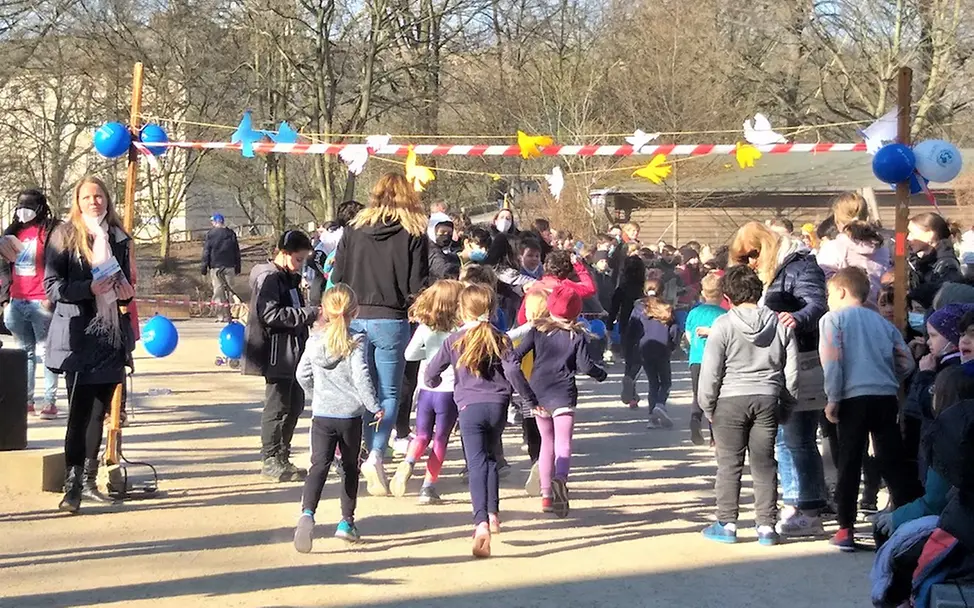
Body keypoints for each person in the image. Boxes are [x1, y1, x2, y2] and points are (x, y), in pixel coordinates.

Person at [330, 172, 429, 496]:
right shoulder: (414, 231)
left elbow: (338, 276)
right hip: (392, 319)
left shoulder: (353, 229)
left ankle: (360, 453)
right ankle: (375, 455)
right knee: (389, 394)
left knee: (361, 390)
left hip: (355, 317)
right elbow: (417, 285)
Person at [730, 221, 829, 539]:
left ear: (766, 245)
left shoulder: (800, 266)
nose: (750, 263)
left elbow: (816, 304)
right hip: (778, 361)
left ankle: (809, 507)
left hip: (802, 359)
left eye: (752, 254)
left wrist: (796, 318)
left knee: (798, 439)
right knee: (786, 439)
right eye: (744, 259)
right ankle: (795, 502)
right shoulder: (772, 272)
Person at [44, 177, 136, 513]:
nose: (94, 202)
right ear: (77, 201)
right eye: (87, 197)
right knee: (79, 413)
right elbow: (53, 287)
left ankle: (89, 479)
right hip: (78, 334)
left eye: (99, 196)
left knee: (100, 413)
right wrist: (89, 288)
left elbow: (123, 278)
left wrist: (125, 291)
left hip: (110, 333)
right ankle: (71, 486)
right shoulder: (64, 235)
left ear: (108, 200)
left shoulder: (118, 236)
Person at [425, 284, 537, 558]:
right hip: (497, 406)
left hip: (468, 407)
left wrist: (436, 381)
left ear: (462, 311)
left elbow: (430, 373)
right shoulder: (500, 338)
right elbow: (513, 370)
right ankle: (494, 513)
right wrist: (530, 400)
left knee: (476, 463)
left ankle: (481, 523)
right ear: (493, 309)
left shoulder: (454, 340)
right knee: (490, 459)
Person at [820, 266, 924, 551]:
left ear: (841, 292)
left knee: (849, 460)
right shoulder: (883, 324)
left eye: (829, 293)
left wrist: (833, 398)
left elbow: (833, 361)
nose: (827, 299)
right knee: (891, 457)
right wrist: (889, 378)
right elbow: (906, 362)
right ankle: (905, 519)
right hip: (884, 396)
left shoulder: (833, 320)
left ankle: (846, 528)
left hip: (851, 397)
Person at [698, 265, 798, 546]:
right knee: (764, 463)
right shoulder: (780, 324)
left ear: (727, 296)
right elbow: (791, 372)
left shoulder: (723, 325)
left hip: (730, 399)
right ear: (760, 290)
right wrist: (787, 404)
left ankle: (727, 523)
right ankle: (766, 526)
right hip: (767, 397)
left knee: (729, 464)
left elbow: (711, 371)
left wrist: (708, 406)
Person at [293, 284, 382, 551]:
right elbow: (361, 375)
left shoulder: (314, 341)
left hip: (322, 415)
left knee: (318, 466)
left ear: (325, 310)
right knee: (350, 469)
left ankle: (307, 514)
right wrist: (373, 405)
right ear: (354, 311)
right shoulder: (356, 339)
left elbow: (301, 375)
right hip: (350, 416)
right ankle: (346, 522)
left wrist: (316, 395)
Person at [514, 286, 606, 517]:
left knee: (547, 443)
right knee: (563, 442)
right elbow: (585, 366)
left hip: (538, 391)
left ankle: (546, 496)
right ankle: (561, 479)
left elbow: (516, 356)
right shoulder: (577, 335)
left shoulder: (536, 330)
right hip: (563, 392)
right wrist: (600, 374)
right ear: (577, 311)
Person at [243, 230, 320, 483]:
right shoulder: (271, 279)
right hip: (277, 352)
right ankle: (270, 457)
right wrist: (307, 314)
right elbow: (270, 314)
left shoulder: (289, 278)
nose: (301, 265)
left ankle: (282, 454)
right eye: (298, 259)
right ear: (284, 254)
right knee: (277, 406)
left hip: (294, 350)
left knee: (295, 404)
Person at [391, 280, 465, 503]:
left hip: (426, 387)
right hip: (449, 390)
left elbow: (409, 355)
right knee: (440, 439)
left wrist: (429, 356)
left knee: (422, 434)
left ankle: (409, 462)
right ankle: (428, 486)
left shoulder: (425, 327)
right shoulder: (460, 330)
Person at [0, 189, 61, 418]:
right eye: (20, 206)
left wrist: (51, 297)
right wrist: (5, 300)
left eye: (28, 206)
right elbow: (4, 267)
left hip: (41, 302)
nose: (23, 211)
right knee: (23, 354)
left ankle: (49, 402)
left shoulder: (50, 231)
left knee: (46, 353)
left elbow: (59, 262)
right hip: (17, 302)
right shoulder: (12, 233)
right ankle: (25, 401)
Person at [902, 303, 970, 482]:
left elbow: (929, 405)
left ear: (950, 336)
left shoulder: (950, 372)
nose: (928, 341)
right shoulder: (941, 363)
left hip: (944, 453)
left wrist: (925, 375)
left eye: (933, 336)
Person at [816, 192, 891, 307]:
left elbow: (823, 287)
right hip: (877, 315)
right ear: (867, 217)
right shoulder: (882, 249)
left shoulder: (833, 248)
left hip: (843, 315)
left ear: (837, 220)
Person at [507, 290, 548, 496]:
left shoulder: (524, 331)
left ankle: (536, 460)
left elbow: (511, 354)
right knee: (549, 432)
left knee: (531, 426)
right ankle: (546, 466)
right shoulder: (554, 330)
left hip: (526, 386)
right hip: (550, 387)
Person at [623, 278, 677, 427]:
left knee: (653, 383)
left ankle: (651, 418)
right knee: (665, 382)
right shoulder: (667, 308)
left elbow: (632, 330)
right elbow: (674, 330)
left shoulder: (639, 309)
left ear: (645, 291)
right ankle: (659, 405)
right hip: (662, 349)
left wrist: (630, 349)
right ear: (662, 291)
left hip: (645, 349)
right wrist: (672, 345)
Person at [683, 272, 726, 445]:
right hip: (717, 359)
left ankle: (695, 419)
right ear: (723, 293)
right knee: (716, 396)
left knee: (698, 394)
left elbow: (688, 335)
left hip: (696, 358)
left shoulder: (694, 312)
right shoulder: (723, 314)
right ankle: (714, 435)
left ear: (703, 292)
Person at [516, 249, 595, 325]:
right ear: (570, 270)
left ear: (545, 266)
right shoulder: (564, 287)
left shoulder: (535, 286)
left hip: (534, 330)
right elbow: (590, 289)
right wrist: (579, 266)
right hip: (557, 331)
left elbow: (521, 319)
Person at [308, 200, 363, 305]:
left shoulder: (347, 234)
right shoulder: (341, 235)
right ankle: (316, 299)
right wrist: (326, 273)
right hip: (333, 284)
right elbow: (316, 257)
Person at [908, 212, 963, 310]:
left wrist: (911, 294)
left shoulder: (946, 263)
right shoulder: (924, 260)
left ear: (930, 234)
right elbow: (899, 253)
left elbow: (944, 293)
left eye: (912, 233)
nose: (908, 238)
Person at [201, 213, 242, 322]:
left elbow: (206, 251)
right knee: (231, 290)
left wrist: (204, 267)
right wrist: (238, 266)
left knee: (218, 292)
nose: (212, 223)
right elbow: (236, 251)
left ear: (215, 221)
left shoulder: (211, 234)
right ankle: (233, 314)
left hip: (216, 267)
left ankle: (221, 316)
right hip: (230, 266)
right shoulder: (231, 233)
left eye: (212, 221)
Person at [427, 212, 460, 281]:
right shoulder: (430, 249)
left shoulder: (441, 249)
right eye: (442, 232)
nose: (446, 236)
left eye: (449, 233)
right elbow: (440, 267)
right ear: (432, 231)